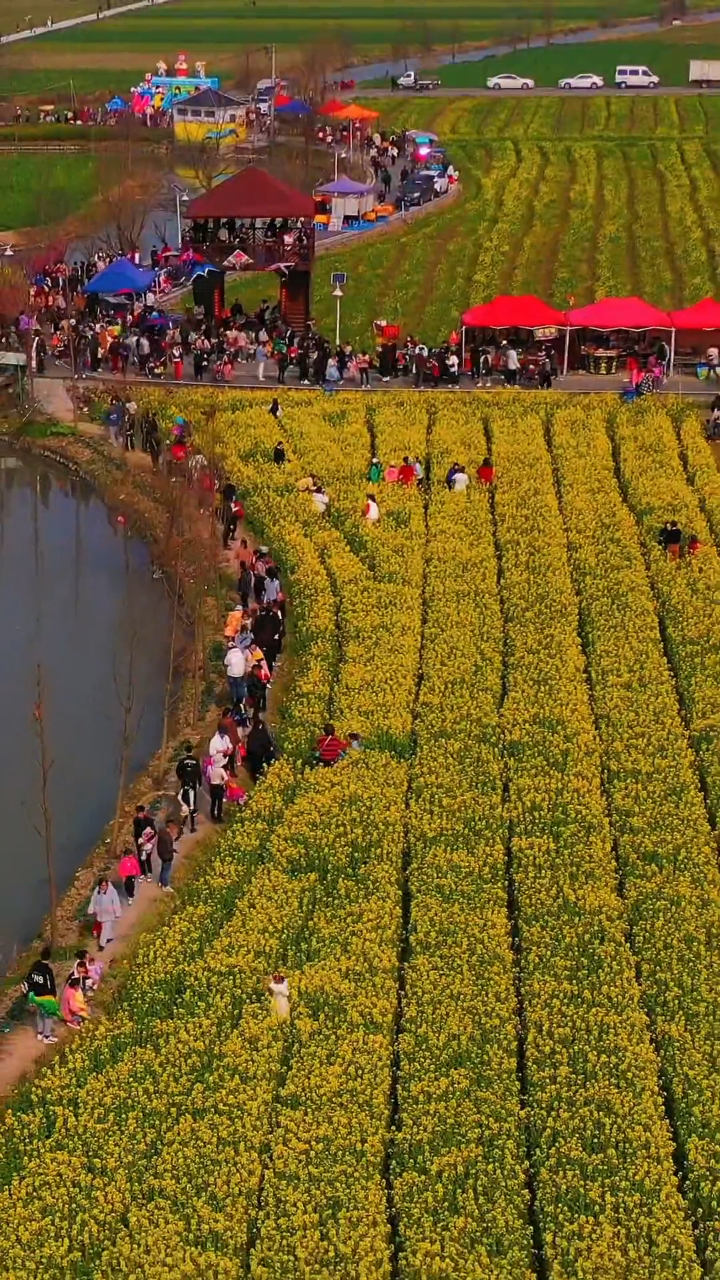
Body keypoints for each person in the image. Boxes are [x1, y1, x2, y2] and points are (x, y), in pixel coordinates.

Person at [22, 946, 58, 1043]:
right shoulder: (47, 970)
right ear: (49, 957)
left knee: (39, 1014)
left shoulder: (35, 965)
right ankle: (47, 1036)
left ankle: (40, 1033)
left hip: (35, 995)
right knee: (48, 1015)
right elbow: (50, 986)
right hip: (45, 997)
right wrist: (53, 997)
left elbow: (29, 978)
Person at [88, 877, 122, 949]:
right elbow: (93, 900)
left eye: (104, 885)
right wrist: (91, 909)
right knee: (106, 927)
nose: (103, 887)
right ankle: (110, 937)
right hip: (100, 913)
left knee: (105, 929)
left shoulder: (112, 891)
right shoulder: (97, 891)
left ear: (107, 885)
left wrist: (117, 912)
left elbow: (116, 902)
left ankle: (101, 944)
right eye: (101, 885)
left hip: (109, 913)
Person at [176, 742, 203, 832]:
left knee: (184, 805)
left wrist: (181, 778)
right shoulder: (196, 761)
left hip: (184, 785)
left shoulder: (182, 761)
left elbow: (177, 771)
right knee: (192, 806)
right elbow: (199, 773)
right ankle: (192, 826)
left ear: (185, 751)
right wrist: (200, 783)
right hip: (193, 785)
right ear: (192, 751)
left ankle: (182, 826)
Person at [245, 711, 277, 780]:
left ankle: (254, 775)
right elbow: (265, 742)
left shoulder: (252, 732)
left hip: (251, 751)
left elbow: (248, 743)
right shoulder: (262, 732)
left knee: (254, 764)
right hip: (258, 752)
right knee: (259, 765)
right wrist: (270, 748)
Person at [133, 803, 156, 881]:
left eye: (141, 813)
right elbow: (136, 832)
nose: (139, 815)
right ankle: (143, 873)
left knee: (148, 858)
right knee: (141, 858)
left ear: (143, 812)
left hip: (148, 842)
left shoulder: (149, 820)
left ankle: (149, 873)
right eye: (138, 814)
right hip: (139, 842)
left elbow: (154, 832)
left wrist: (147, 841)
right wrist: (138, 840)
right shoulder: (135, 820)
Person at [156, 820, 179, 891]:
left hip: (162, 855)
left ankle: (160, 882)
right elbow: (169, 848)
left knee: (163, 869)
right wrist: (175, 850)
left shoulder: (161, 834)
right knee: (166, 871)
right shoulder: (167, 837)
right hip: (167, 856)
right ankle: (165, 885)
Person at [224, 641, 247, 707]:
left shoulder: (229, 654)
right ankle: (241, 701)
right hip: (240, 673)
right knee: (240, 687)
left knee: (233, 688)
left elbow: (226, 663)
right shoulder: (240, 653)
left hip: (232, 674)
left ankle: (234, 702)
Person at [208, 755, 228, 823]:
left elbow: (208, 776)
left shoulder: (211, 769)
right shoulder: (221, 770)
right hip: (218, 786)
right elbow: (226, 778)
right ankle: (219, 817)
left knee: (213, 802)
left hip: (212, 786)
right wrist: (222, 783)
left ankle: (213, 816)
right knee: (219, 802)